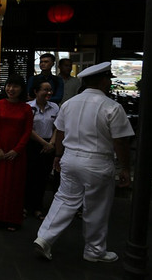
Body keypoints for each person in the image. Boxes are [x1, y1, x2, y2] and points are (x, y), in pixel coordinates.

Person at [33, 61, 134, 263]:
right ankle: (94, 250)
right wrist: (125, 167)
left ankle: (44, 237)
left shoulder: (69, 104)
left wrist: (59, 156)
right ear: (103, 81)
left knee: (64, 199)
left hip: (70, 158)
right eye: (108, 79)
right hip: (97, 161)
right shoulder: (112, 107)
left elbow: (60, 133)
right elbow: (120, 141)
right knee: (96, 206)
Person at [0, 74, 33, 230]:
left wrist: (17, 150)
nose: (11, 89)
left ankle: (12, 219)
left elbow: (27, 131)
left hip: (17, 154)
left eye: (15, 86)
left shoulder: (27, 108)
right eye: (9, 85)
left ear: (22, 89)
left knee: (14, 186)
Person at [25, 80, 59, 220]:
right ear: (36, 92)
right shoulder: (28, 107)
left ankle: (38, 207)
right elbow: (28, 129)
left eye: (50, 90)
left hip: (49, 146)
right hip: (33, 145)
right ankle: (26, 206)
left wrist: (51, 143)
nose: (48, 93)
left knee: (43, 178)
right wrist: (43, 143)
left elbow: (58, 127)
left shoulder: (55, 107)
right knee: (29, 177)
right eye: (45, 90)